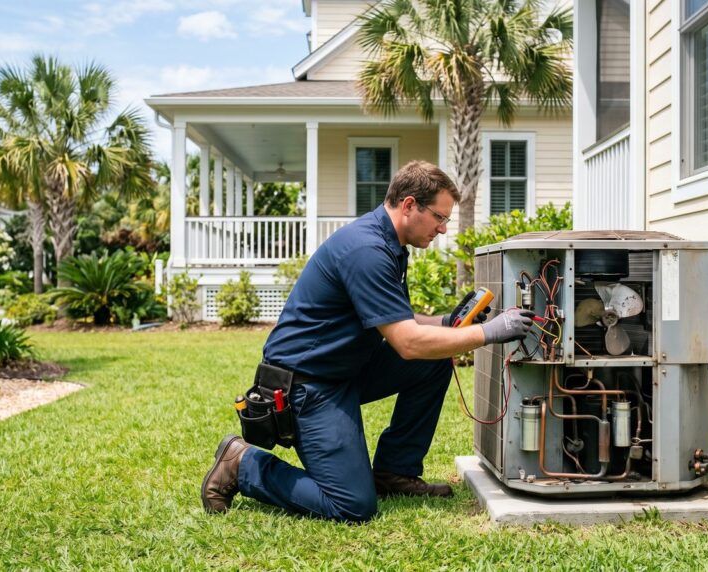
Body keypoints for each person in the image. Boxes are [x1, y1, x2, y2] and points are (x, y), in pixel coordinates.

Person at [201, 160, 534, 522]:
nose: (442, 228)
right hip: (306, 385)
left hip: (344, 370)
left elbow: (397, 318)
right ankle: (243, 463)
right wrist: (490, 332)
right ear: (409, 205)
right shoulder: (366, 250)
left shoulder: (388, 243)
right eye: (440, 217)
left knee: (433, 360)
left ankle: (395, 473)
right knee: (351, 505)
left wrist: (445, 323)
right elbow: (407, 342)